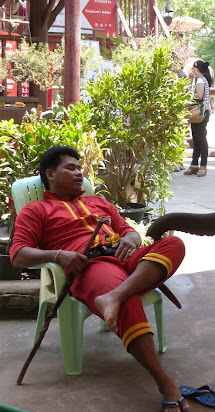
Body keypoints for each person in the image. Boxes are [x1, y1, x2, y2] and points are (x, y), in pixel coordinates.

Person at [10, 146, 189, 412]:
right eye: (70, 167)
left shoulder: (99, 203)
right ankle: (164, 382)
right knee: (128, 301)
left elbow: (128, 230)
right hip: (92, 265)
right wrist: (60, 255)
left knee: (174, 244)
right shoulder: (37, 210)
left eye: (79, 167)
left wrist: (131, 236)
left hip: (124, 256)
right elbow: (18, 253)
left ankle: (114, 296)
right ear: (50, 174)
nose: (78, 172)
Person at [184, 60, 213, 178]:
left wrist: (190, 94)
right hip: (200, 112)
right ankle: (194, 164)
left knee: (200, 139)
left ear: (197, 69)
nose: (192, 70)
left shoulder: (200, 80)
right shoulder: (200, 80)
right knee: (196, 138)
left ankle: (203, 166)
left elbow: (199, 96)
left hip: (201, 112)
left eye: (193, 68)